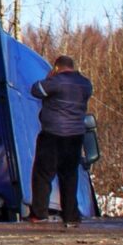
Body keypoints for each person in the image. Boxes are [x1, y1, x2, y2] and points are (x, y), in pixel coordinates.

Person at [27, 54, 93, 226]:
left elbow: (36, 90)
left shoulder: (56, 81)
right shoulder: (85, 84)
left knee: (43, 174)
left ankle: (39, 213)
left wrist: (49, 77)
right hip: (75, 136)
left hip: (53, 135)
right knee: (70, 176)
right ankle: (71, 217)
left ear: (57, 67)